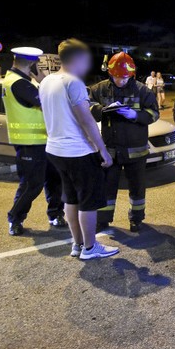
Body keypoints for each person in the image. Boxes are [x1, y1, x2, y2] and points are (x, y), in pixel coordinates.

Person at [39, 39, 119, 260]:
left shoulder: (47, 81)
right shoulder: (73, 83)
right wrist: (101, 149)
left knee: (70, 198)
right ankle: (91, 248)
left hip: (55, 150)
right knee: (88, 201)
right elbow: (86, 120)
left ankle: (77, 244)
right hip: (77, 151)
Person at [89, 52, 159, 233]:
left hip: (136, 151)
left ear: (132, 74)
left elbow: (154, 113)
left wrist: (136, 115)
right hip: (110, 150)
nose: (121, 80)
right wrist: (102, 110)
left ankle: (136, 219)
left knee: (137, 188)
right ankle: (102, 220)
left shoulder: (142, 90)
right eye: (117, 77)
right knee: (106, 187)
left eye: (125, 77)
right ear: (110, 73)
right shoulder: (100, 88)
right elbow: (86, 103)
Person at [1, 46, 65, 236]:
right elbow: (49, 100)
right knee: (32, 184)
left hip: (44, 141)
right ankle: (15, 218)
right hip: (30, 143)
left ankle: (55, 214)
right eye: (37, 64)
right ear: (32, 64)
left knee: (55, 179)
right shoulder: (18, 83)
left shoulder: (20, 80)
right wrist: (44, 79)